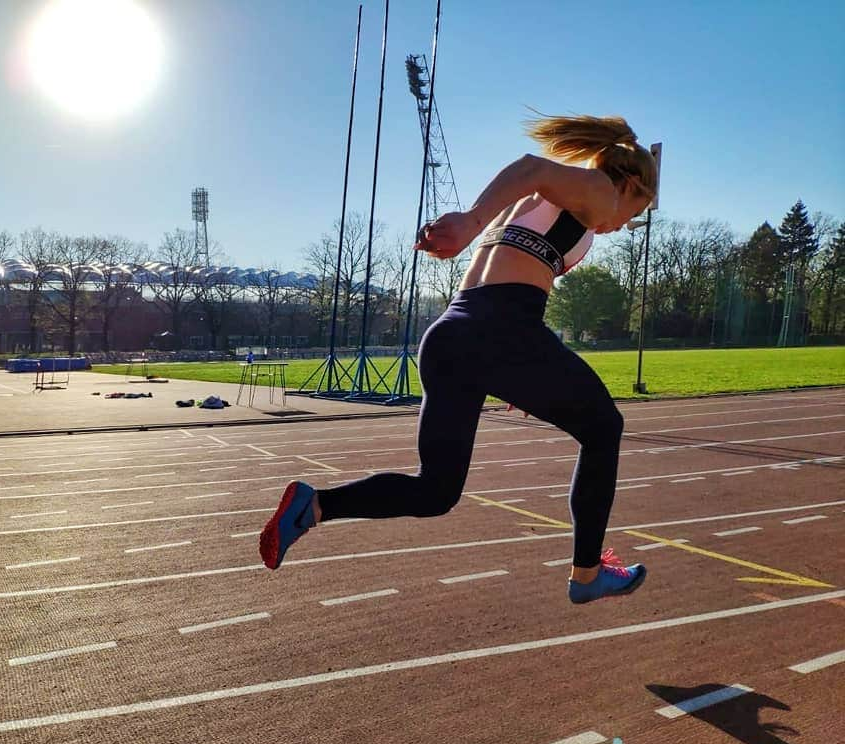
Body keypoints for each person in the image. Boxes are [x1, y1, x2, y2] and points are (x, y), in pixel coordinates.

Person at [259, 113, 658, 604]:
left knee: (436, 492)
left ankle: (314, 505)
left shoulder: (546, 206)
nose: (626, 223)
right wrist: (470, 223)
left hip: (454, 336)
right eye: (638, 210)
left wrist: (524, 376)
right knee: (604, 430)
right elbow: (532, 166)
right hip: (503, 331)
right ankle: (587, 573)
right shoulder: (598, 186)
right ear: (632, 185)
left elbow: (515, 268)